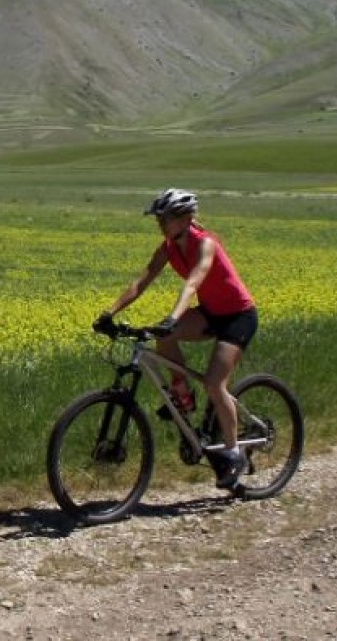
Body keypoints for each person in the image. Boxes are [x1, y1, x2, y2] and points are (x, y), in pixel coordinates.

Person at [94, 188, 258, 490]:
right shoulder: (169, 247)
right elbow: (141, 281)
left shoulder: (205, 243)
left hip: (238, 317)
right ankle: (183, 399)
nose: (160, 224)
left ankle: (234, 454)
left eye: (165, 218)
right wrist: (110, 313)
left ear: (185, 218)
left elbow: (195, 279)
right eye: (159, 218)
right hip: (210, 313)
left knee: (213, 383)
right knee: (163, 337)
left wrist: (174, 316)